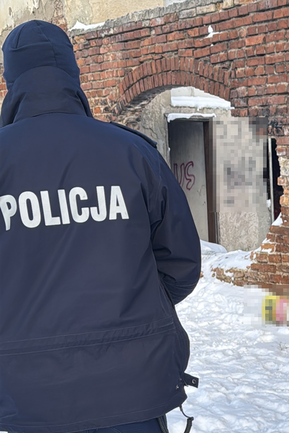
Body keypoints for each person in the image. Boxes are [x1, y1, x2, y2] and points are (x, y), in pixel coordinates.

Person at [0, 20, 201, 433]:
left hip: (28, 397)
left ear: (11, 81)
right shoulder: (132, 153)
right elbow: (181, 263)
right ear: (73, 74)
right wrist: (136, 310)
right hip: (133, 386)